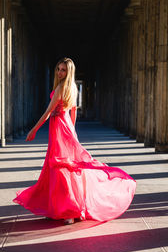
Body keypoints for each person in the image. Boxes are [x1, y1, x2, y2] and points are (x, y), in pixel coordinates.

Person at [13, 57, 136, 225]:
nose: (59, 72)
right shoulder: (71, 87)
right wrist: (73, 132)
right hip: (66, 128)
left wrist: (34, 129)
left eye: (63, 70)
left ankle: (69, 211)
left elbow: (48, 112)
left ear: (69, 71)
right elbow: (73, 112)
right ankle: (59, 209)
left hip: (58, 129)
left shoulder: (60, 88)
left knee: (60, 167)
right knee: (66, 166)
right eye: (58, 69)